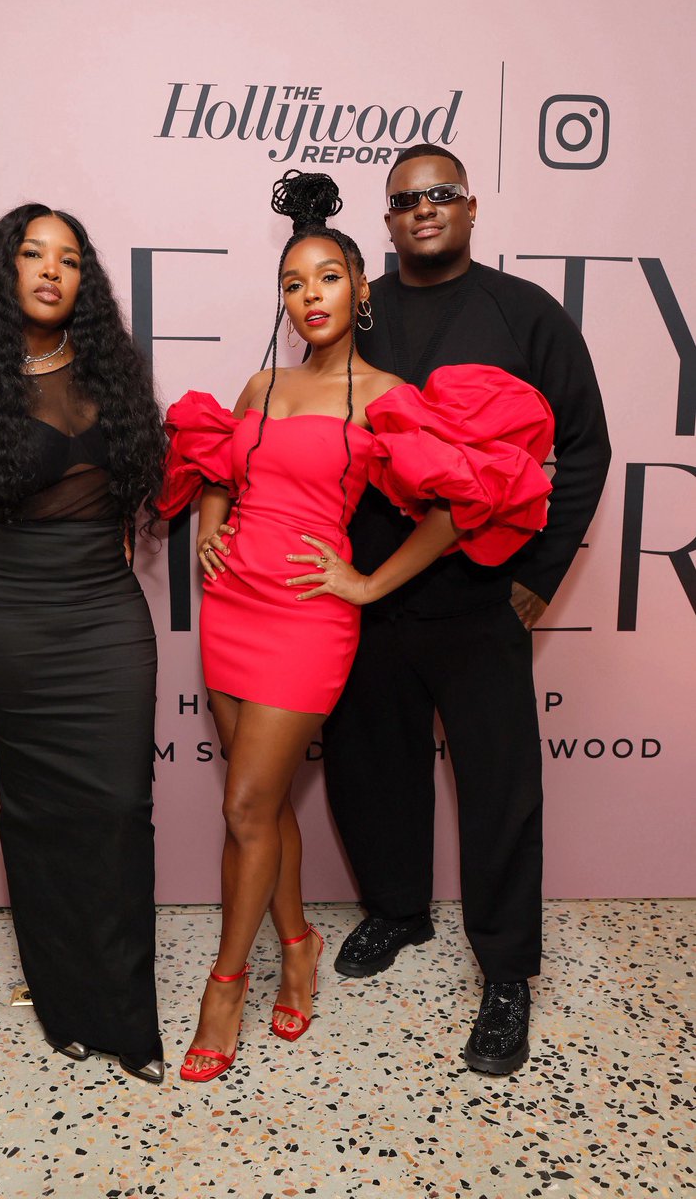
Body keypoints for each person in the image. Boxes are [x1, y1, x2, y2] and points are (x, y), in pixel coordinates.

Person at [158, 170, 555, 1082]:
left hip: (307, 615)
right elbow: (221, 465)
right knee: (262, 808)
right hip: (233, 606)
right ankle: (297, 946)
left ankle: (227, 987)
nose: (308, 298)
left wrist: (368, 583)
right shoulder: (261, 381)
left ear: (359, 288)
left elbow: (460, 503)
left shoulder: (382, 396)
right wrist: (211, 532)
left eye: (326, 279)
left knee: (245, 805)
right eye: (293, 284)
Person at [323, 146, 612, 1075]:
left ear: (471, 207)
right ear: (388, 217)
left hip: (482, 597)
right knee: (372, 767)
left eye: (439, 195)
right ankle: (399, 912)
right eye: (403, 200)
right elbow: (317, 434)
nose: (422, 211)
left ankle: (505, 972)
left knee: (498, 789)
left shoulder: (523, 312)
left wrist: (537, 578)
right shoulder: (356, 311)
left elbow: (587, 448)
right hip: (368, 595)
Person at [0, 204, 167, 1083]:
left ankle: (128, 1019)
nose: (52, 270)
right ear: (2, 272)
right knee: (40, 821)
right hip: (3, 620)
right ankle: (67, 1009)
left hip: (102, 617)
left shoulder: (114, 376)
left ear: (84, 281)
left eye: (69, 258)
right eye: (32, 254)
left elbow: (125, 508)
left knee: (121, 814)